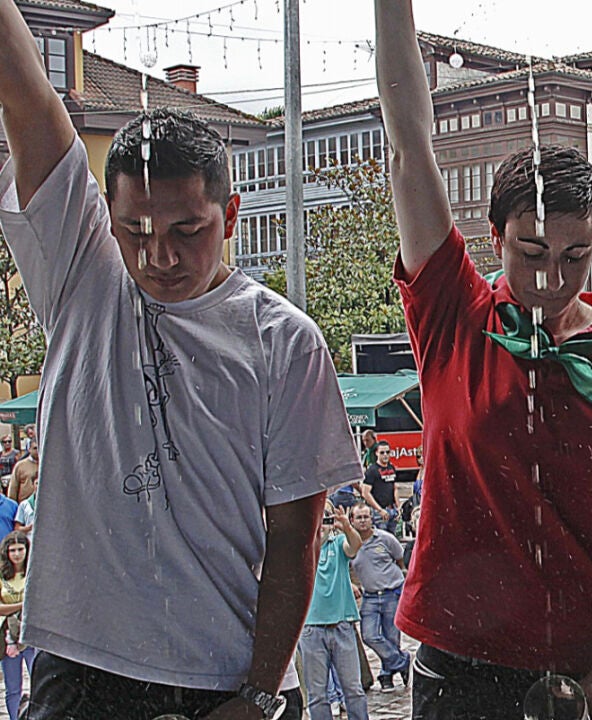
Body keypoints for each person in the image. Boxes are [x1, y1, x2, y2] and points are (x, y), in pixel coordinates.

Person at [0, 3, 364, 716]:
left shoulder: (284, 340)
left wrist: (259, 694)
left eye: (187, 230)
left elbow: (294, 536)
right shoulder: (82, 271)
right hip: (83, 668)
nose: (158, 256)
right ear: (106, 218)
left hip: (224, 674)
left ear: (231, 218)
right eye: (135, 231)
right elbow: (27, 96)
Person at [374, 5, 592, 719]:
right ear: (495, 238)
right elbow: (407, 146)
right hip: (464, 666)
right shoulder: (455, 316)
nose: (553, 276)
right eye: (532, 252)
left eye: (575, 256)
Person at [298, 502, 368, 720]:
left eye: (326, 519)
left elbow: (354, 546)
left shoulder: (337, 544)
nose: (322, 525)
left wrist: (346, 526)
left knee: (353, 689)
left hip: (341, 624)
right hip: (311, 628)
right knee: (317, 694)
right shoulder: (301, 549)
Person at [348, 503, 411, 693]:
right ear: (352, 520)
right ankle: (402, 661)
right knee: (370, 635)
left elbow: (399, 559)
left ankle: (386, 677)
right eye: (359, 518)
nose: (363, 521)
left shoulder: (385, 539)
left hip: (391, 592)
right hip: (370, 596)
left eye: (366, 517)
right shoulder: (349, 543)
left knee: (391, 637)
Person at [0, 531, 32, 720]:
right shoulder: (2, 575)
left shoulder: (33, 571)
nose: (17, 554)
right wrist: (22, 605)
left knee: (38, 681)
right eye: (13, 550)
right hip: (7, 635)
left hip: (31, 632)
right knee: (13, 688)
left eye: (20, 549)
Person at [362, 441, 399, 532]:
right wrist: (379, 509)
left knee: (393, 538)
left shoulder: (391, 468)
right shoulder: (372, 470)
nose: (385, 455)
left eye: (387, 452)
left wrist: (398, 507)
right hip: (378, 512)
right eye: (382, 453)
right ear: (376, 453)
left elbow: (395, 488)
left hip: (392, 509)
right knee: (381, 537)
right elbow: (365, 493)